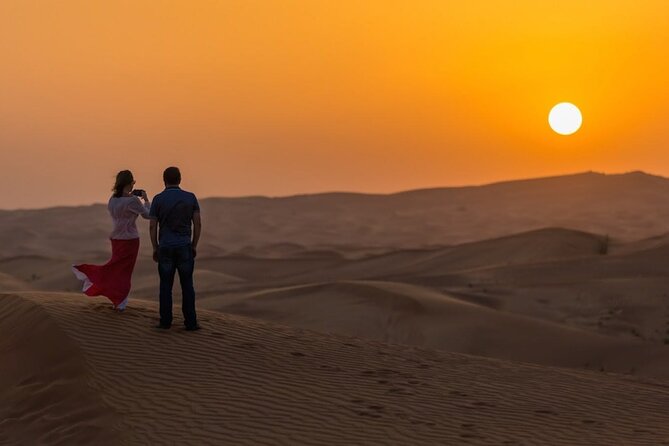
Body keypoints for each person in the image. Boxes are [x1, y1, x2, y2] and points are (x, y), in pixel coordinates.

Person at [72, 170, 150, 311]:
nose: (134, 185)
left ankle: (117, 299)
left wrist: (129, 196)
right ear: (129, 183)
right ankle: (119, 301)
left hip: (116, 240)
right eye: (133, 182)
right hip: (130, 240)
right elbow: (148, 215)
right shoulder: (133, 200)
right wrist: (146, 200)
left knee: (115, 268)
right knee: (124, 272)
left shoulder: (112, 200)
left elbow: (122, 211)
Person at [150, 166, 202, 330]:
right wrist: (194, 244)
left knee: (165, 286)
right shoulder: (190, 197)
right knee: (187, 285)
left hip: (165, 247)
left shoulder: (158, 199)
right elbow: (198, 223)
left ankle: (165, 321)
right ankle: (191, 323)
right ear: (180, 179)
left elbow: (152, 226)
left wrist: (155, 247)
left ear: (164, 180)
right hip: (184, 246)